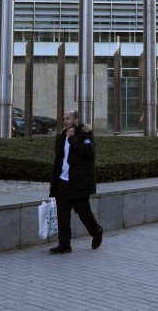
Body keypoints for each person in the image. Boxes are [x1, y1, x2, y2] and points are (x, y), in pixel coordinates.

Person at [48, 109, 103, 254]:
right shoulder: (61, 136)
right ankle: (64, 244)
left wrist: (72, 139)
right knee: (62, 215)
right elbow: (58, 161)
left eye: (68, 118)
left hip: (78, 182)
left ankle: (96, 231)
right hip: (62, 182)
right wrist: (53, 179)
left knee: (83, 212)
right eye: (64, 118)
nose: (65, 121)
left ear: (76, 119)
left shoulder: (85, 133)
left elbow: (88, 151)